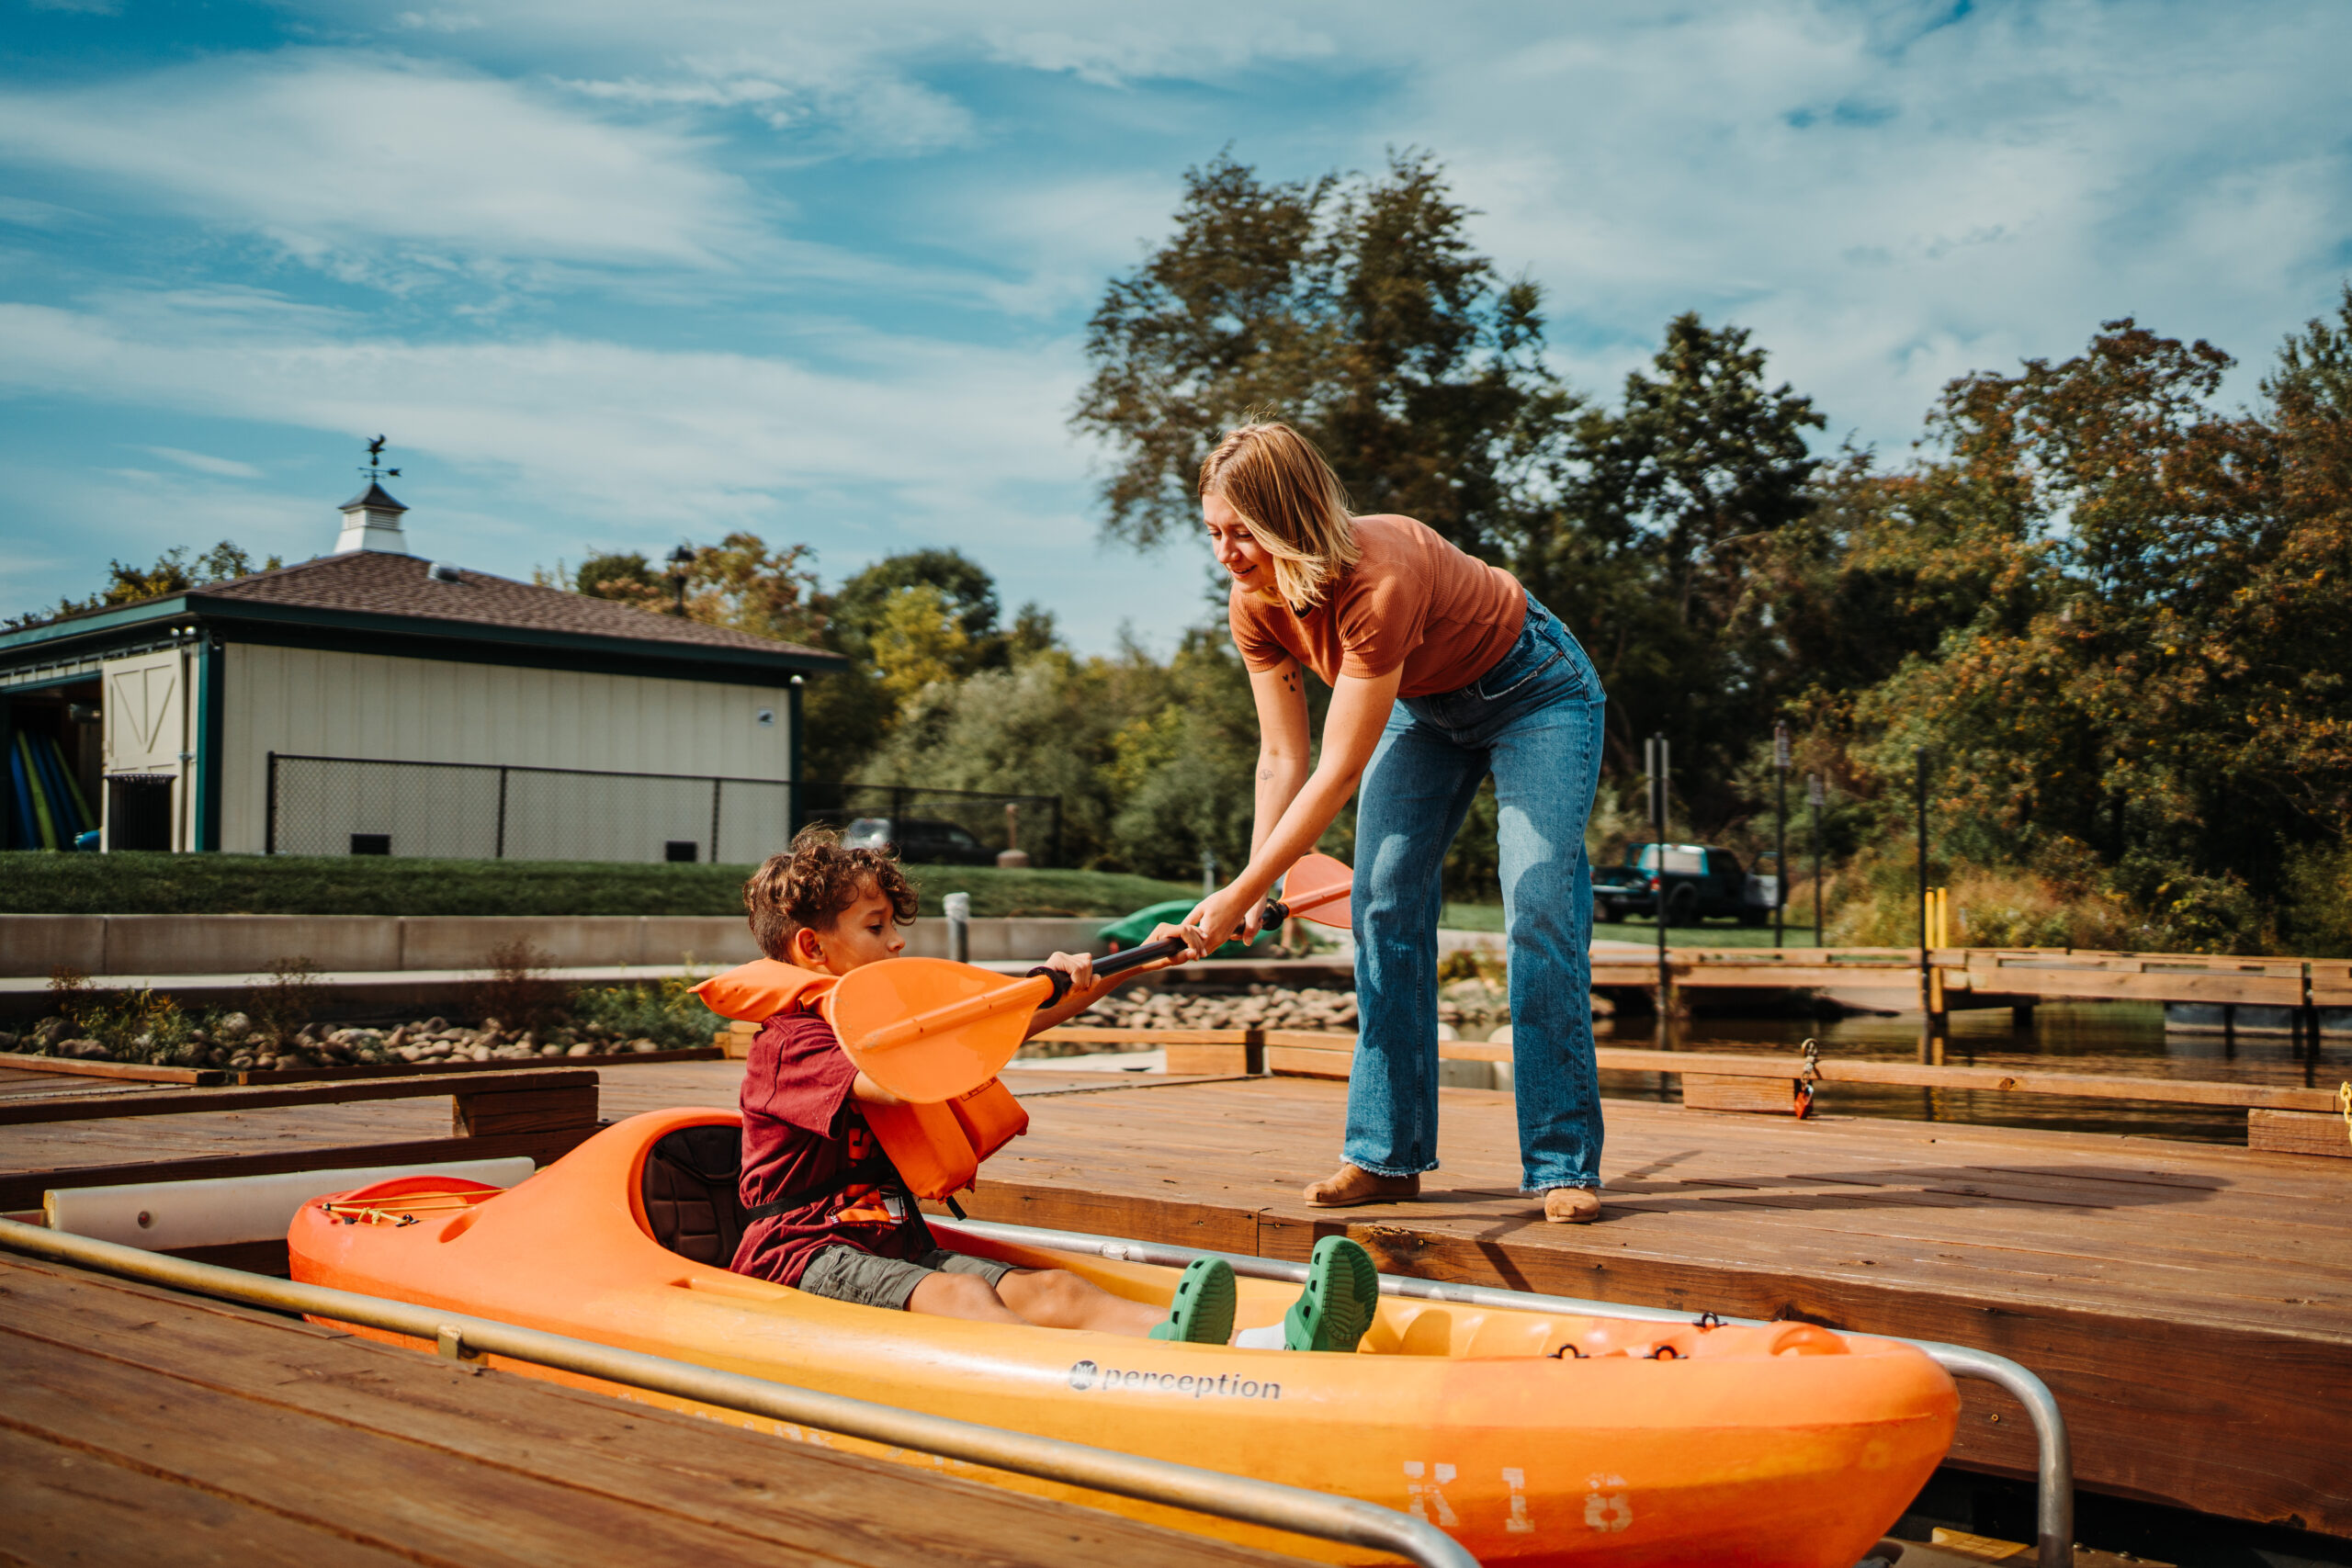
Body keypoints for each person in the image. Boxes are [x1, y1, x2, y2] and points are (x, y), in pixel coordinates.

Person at [1171, 422, 1610, 1224]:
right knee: (1381, 901)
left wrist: (1244, 890)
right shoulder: (1253, 604)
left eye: (1243, 534)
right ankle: (1387, 1156)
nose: (1226, 554)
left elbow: (1338, 768)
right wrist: (1258, 883)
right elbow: (1281, 757)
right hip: (1422, 707)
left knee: (1540, 904)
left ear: (1290, 518)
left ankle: (1560, 1164)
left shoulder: (1380, 580)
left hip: (1536, 692)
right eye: (1214, 533)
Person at [730, 827, 1379, 1349]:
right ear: (813, 946)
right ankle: (1096, 1384)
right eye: (875, 927)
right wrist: (1024, 988)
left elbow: (978, 1038)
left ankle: (1263, 1347)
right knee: (963, 1297)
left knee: (1057, 1292)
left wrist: (1133, 963)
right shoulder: (792, 1044)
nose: (898, 940)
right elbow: (911, 1076)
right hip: (802, 1253)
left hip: (891, 1246)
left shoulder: (888, 1028)